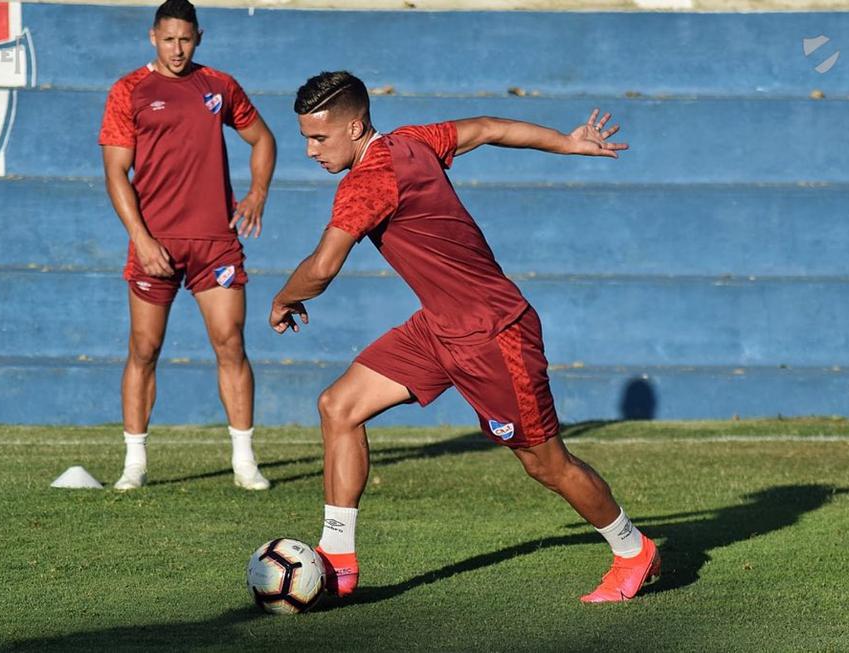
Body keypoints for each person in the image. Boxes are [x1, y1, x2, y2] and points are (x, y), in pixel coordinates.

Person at [269, 71, 660, 603]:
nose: (311, 150)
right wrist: (566, 142)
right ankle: (338, 558)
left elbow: (322, 268)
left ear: (355, 127)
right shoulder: (411, 140)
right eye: (306, 139)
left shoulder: (368, 182)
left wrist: (284, 298)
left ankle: (633, 550)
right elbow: (488, 127)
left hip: (494, 334)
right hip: (439, 327)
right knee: (339, 406)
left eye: (319, 138)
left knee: (545, 463)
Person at [99, 0, 275, 491]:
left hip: (215, 242)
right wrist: (141, 239)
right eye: (169, 39)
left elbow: (263, 139)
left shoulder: (219, 85)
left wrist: (257, 194)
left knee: (231, 343)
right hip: (155, 243)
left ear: (199, 37)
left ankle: (245, 462)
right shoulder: (129, 90)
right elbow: (115, 172)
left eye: (186, 39)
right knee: (144, 348)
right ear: (152, 37)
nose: (177, 49)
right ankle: (134, 464)